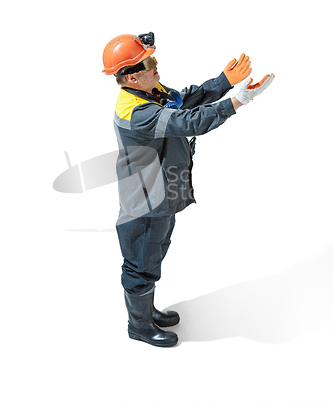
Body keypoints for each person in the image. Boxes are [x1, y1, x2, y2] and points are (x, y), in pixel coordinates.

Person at [102, 32, 274, 348]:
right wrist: (239, 100)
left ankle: (147, 310)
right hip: (143, 204)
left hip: (161, 197)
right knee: (141, 262)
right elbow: (191, 121)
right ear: (131, 75)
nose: (156, 66)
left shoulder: (149, 92)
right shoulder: (138, 113)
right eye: (148, 62)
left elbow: (185, 100)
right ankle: (139, 325)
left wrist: (224, 81)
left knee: (154, 253)